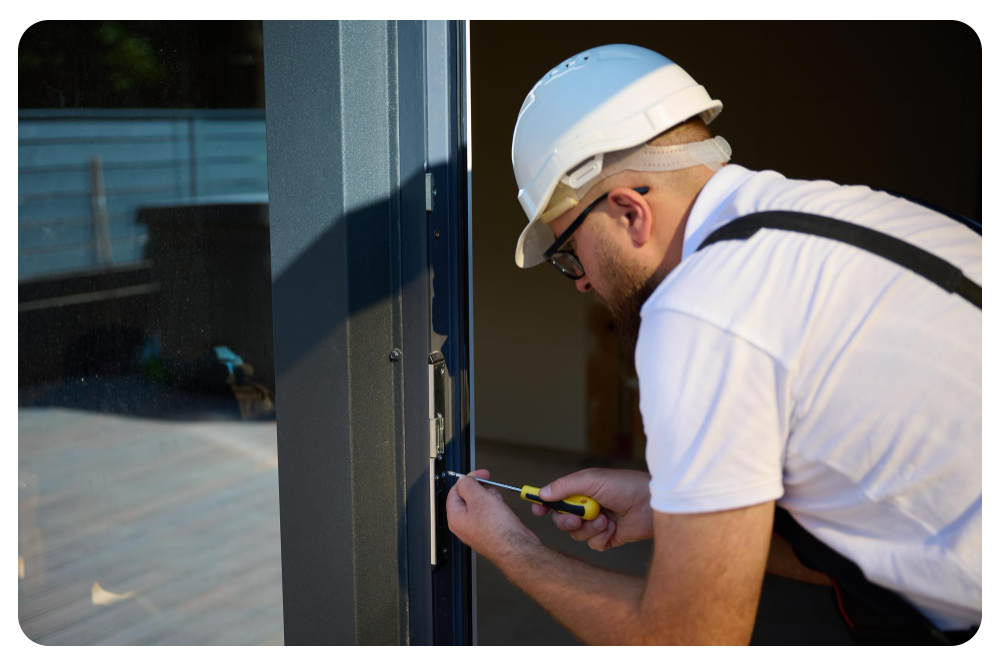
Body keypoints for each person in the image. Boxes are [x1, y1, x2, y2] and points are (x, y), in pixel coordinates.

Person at [445, 44, 982, 645]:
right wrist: (667, 508)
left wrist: (511, 548)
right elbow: (903, 543)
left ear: (629, 213)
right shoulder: (857, 214)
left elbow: (691, 640)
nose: (582, 281)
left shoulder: (700, 310)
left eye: (569, 251)